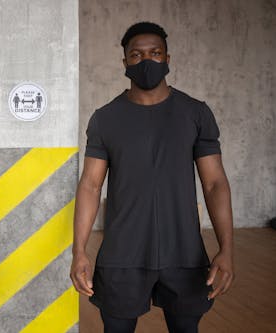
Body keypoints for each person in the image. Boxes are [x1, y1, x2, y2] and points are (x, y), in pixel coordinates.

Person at [70, 22, 234, 333]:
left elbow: (215, 184)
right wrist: (79, 251)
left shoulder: (196, 114)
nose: (147, 61)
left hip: (184, 252)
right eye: (137, 55)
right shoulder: (105, 119)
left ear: (167, 59)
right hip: (122, 254)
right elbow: (91, 186)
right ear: (125, 63)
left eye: (155, 53)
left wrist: (227, 249)